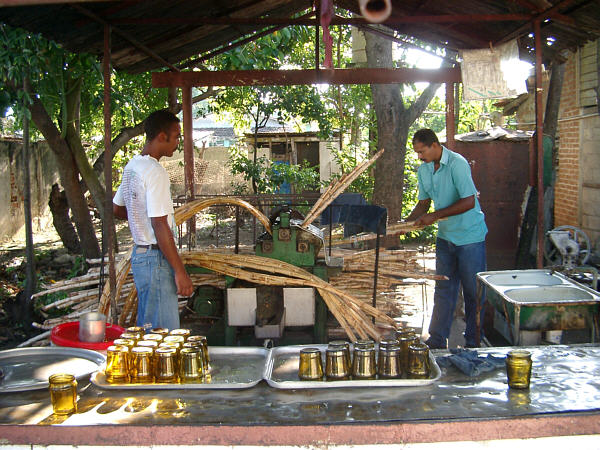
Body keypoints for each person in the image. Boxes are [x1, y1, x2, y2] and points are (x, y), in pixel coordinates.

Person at [405, 129, 487, 349]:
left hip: (470, 236)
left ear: (434, 145)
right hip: (446, 237)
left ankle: (473, 340)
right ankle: (437, 339)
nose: (419, 156)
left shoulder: (457, 164)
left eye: (422, 151)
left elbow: (469, 201)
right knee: (443, 289)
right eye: (417, 152)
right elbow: (423, 204)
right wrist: (405, 224)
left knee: (472, 292)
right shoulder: (424, 170)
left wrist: (435, 216)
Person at [113, 109, 194, 330]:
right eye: (176, 136)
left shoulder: (132, 166)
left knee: (149, 330)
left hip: (141, 255)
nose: (178, 142)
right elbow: (159, 224)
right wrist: (180, 272)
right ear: (161, 136)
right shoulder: (154, 171)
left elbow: (117, 208)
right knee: (163, 336)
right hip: (156, 259)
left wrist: (141, 219)